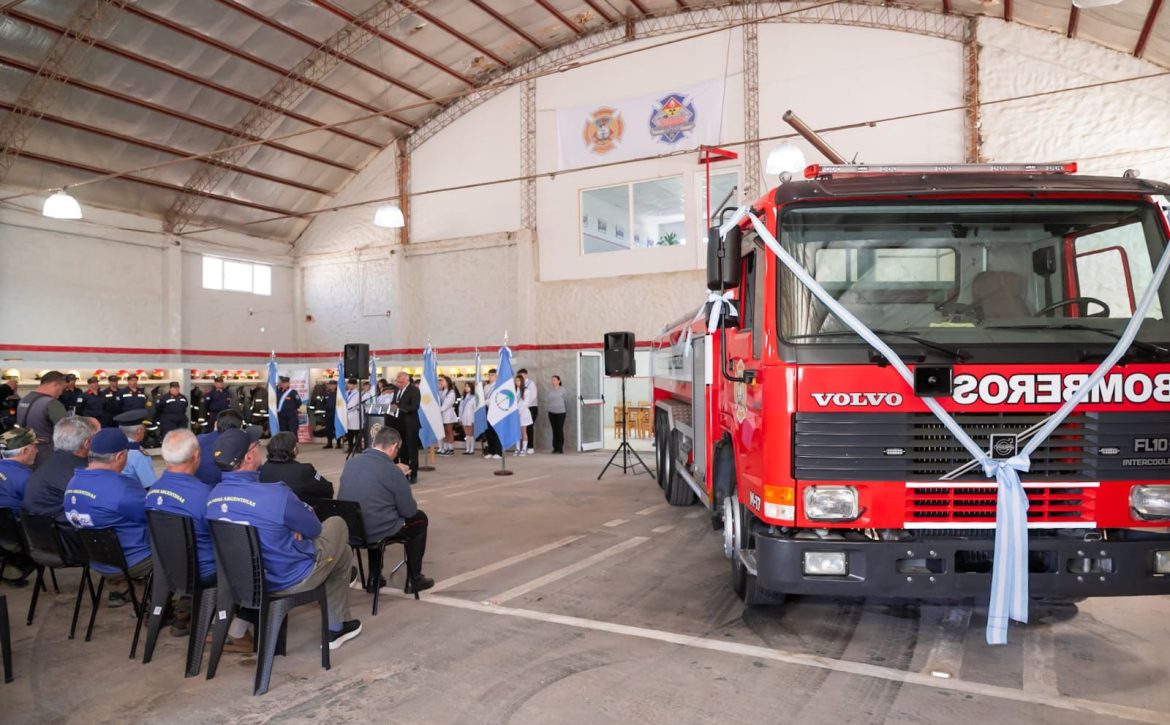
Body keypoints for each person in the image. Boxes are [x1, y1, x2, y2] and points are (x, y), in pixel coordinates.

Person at [207, 426, 361, 649]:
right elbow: (314, 529)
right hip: (289, 578)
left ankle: (337, 625)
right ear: (249, 457)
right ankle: (335, 627)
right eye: (256, 445)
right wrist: (292, 525)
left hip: (245, 580)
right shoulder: (275, 494)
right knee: (336, 525)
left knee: (341, 553)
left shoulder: (213, 498)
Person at [146, 429, 252, 645]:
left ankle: (187, 609)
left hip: (168, 569)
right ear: (196, 455)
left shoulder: (151, 493)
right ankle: (236, 629)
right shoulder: (206, 496)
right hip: (205, 572)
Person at [338, 426, 432, 594]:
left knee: (373, 514)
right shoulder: (392, 471)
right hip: (376, 530)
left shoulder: (351, 463)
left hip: (352, 530)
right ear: (394, 447)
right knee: (419, 519)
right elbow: (409, 511)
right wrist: (400, 478)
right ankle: (414, 578)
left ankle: (374, 577)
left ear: (375, 443)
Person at [63, 428, 151, 607]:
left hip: (97, 560)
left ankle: (128, 591)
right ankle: (159, 607)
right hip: (132, 561)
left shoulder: (73, 483)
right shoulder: (123, 488)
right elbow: (154, 516)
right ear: (120, 456)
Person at [0, 428, 38, 583]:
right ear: (26, 450)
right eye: (35, 446)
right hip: (19, 538)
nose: (37, 450)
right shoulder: (28, 479)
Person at [259, 431, 333, 503]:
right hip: (297, 512)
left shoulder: (265, 468)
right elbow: (328, 490)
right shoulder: (304, 470)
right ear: (294, 450)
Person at [16, 369, 68, 468]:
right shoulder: (52, 403)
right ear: (56, 385)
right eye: (62, 389)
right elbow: (68, 432)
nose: (61, 393)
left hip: (24, 453)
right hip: (45, 456)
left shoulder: (24, 399)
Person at [194, 409, 243, 486]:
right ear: (240, 428)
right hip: (226, 488)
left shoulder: (197, 440)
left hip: (197, 485)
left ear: (216, 424)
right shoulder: (242, 444)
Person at [113, 409, 157, 489]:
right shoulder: (137, 454)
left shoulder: (111, 447)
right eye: (144, 429)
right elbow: (149, 485)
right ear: (139, 431)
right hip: (133, 497)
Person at [390, 371, 420, 482]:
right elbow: (394, 402)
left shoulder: (414, 390)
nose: (399, 384)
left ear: (407, 381)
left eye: (401, 382)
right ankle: (403, 473)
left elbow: (414, 407)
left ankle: (414, 474)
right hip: (397, 423)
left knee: (411, 450)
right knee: (402, 450)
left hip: (410, 424)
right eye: (397, 382)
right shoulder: (397, 390)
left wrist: (399, 407)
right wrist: (392, 407)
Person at [482, 368, 502, 459]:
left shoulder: (498, 386)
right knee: (488, 431)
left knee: (496, 431)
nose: (490, 377)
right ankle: (491, 450)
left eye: (492, 375)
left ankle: (498, 452)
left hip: (495, 411)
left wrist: (485, 402)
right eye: (489, 375)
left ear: (496, 376)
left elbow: (495, 399)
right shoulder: (486, 387)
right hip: (486, 410)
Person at [547, 375, 568, 454]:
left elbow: (566, 400)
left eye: (555, 380)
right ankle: (555, 447)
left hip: (561, 412)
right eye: (552, 380)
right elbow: (548, 400)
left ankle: (560, 447)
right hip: (551, 412)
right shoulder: (550, 390)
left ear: (559, 381)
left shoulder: (563, 390)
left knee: (559, 429)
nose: (553, 382)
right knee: (554, 430)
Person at [519, 368, 538, 455]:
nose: (521, 377)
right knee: (523, 428)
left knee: (529, 427)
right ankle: (523, 447)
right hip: (521, 408)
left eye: (522, 375)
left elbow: (533, 396)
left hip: (531, 407)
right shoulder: (519, 384)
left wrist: (525, 405)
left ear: (526, 375)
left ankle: (530, 446)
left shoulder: (531, 383)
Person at [513, 375, 532, 456]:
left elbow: (525, 403)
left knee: (523, 431)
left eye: (519, 380)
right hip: (515, 414)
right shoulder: (514, 391)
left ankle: (524, 449)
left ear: (522, 381)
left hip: (523, 413)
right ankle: (517, 449)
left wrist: (519, 412)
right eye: (516, 380)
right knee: (516, 432)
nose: (517, 382)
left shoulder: (526, 391)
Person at [438, 375, 457, 455]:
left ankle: (450, 448)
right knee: (444, 432)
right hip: (442, 414)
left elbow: (446, 405)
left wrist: (438, 410)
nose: (440, 382)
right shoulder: (441, 391)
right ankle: (445, 448)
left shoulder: (451, 392)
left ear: (447, 382)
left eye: (442, 380)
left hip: (448, 414)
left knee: (449, 431)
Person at [457, 382, 477, 455]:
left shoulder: (474, 397)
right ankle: (467, 449)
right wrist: (460, 418)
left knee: (471, 433)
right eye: (465, 386)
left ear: (471, 387)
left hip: (470, 416)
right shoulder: (463, 397)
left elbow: (475, 409)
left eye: (468, 386)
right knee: (466, 434)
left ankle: (472, 449)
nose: (466, 388)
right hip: (463, 417)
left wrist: (474, 419)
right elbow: (460, 408)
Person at [321, 379, 339, 449]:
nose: (331, 386)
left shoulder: (339, 393)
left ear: (336, 385)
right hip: (328, 414)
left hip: (336, 414)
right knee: (328, 429)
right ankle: (329, 443)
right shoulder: (326, 393)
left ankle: (338, 443)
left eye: (333, 385)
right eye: (330, 385)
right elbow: (322, 403)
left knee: (337, 428)